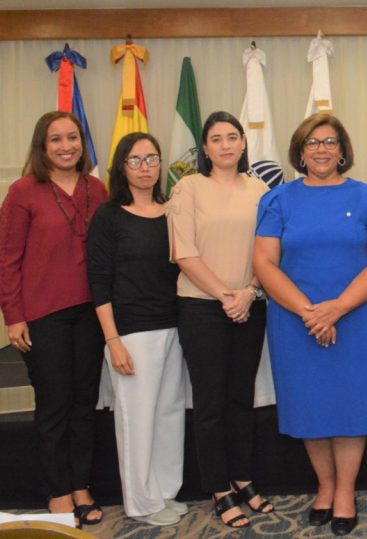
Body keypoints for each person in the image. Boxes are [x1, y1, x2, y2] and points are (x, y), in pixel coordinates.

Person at [253, 113, 367, 536]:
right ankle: (325, 485)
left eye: (330, 142)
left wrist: (336, 309)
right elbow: (263, 263)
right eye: (313, 143)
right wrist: (310, 312)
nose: (321, 150)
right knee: (309, 402)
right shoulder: (277, 201)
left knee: (352, 404)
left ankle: (347, 491)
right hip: (295, 320)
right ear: (299, 151)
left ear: (343, 150)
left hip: (357, 317)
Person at [0, 111, 107, 526]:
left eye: (73, 137)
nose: (66, 146)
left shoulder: (96, 188)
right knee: (53, 405)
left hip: (90, 313)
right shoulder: (23, 191)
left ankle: (81, 484)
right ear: (42, 147)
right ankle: (58, 491)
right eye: (56, 139)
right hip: (42, 315)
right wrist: (14, 316)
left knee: (84, 404)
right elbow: (8, 260)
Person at [167, 111, 272, 529]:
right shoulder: (188, 187)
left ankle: (243, 478)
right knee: (209, 403)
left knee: (240, 399)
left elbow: (272, 249)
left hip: (252, 301)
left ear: (244, 144)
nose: (226, 144)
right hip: (201, 307)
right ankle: (218, 488)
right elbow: (184, 252)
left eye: (233, 136)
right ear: (205, 148)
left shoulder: (261, 189)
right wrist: (226, 295)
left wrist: (248, 292)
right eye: (216, 138)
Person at [86, 132, 187, 526]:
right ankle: (142, 503)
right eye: (135, 160)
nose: (145, 168)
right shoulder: (109, 216)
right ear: (121, 167)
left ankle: (164, 492)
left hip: (174, 326)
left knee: (168, 414)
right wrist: (113, 340)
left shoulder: (173, 210)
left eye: (152, 159)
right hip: (130, 332)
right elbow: (98, 281)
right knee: (137, 418)